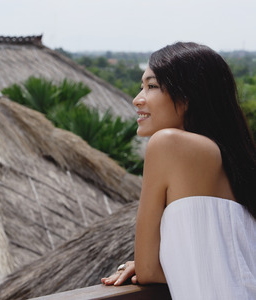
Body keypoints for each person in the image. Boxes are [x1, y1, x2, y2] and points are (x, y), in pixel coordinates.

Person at [101, 42, 256, 299]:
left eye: (151, 86)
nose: (137, 98)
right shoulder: (237, 162)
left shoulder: (168, 144)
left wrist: (152, 262)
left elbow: (148, 269)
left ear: (186, 98)